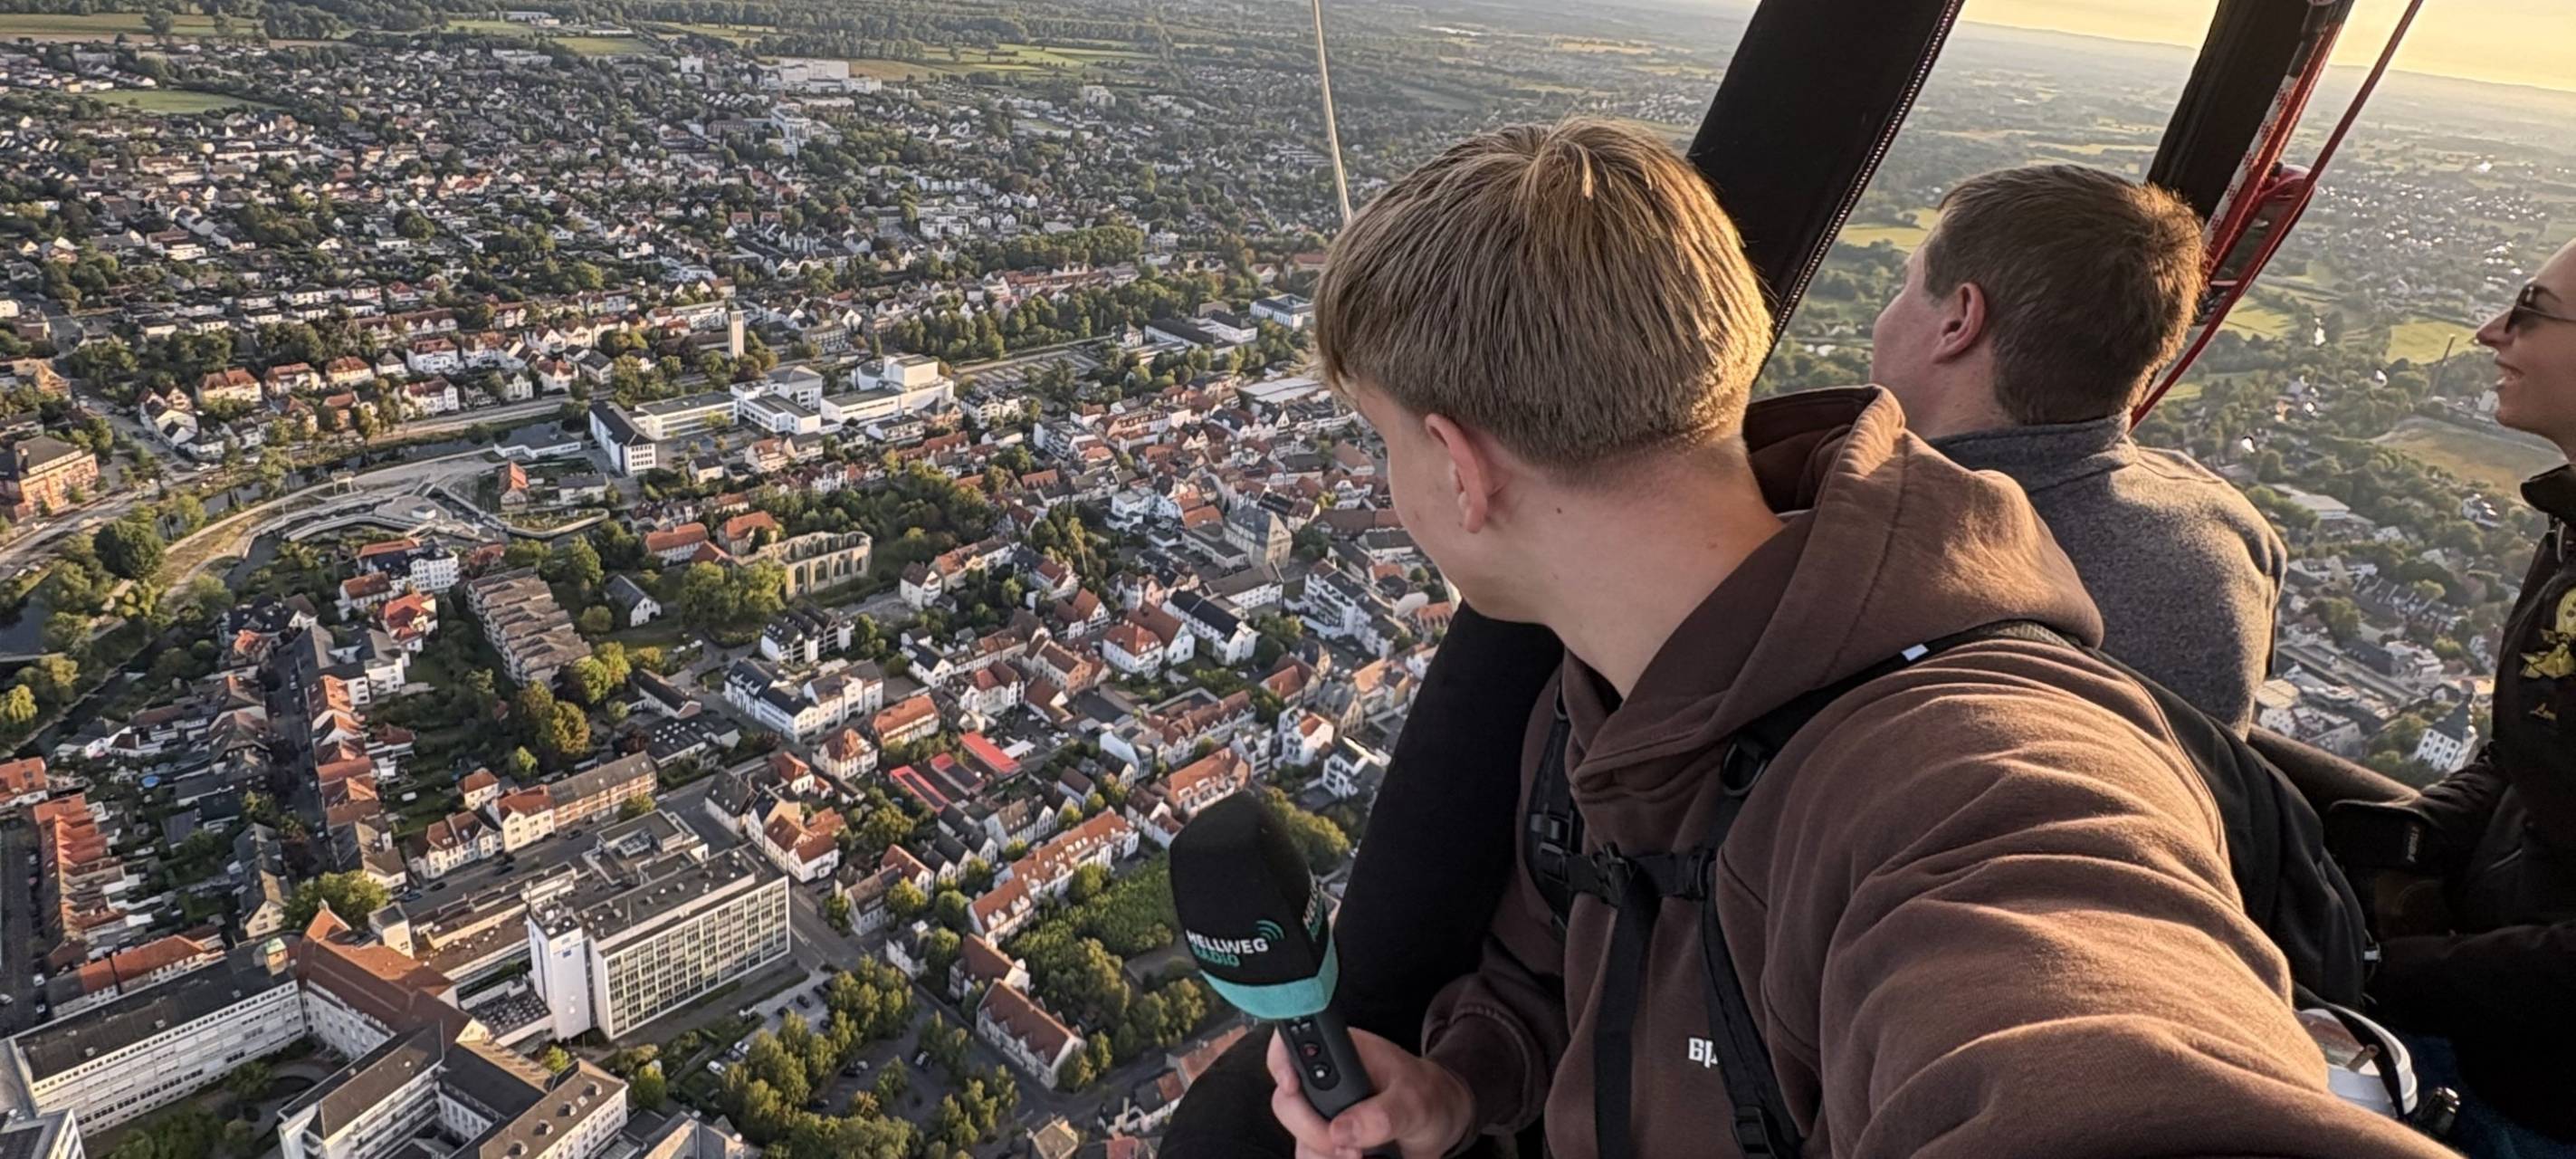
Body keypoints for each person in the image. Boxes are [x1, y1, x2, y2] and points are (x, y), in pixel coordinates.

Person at [1256, 117, 2444, 1159]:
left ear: (1456, 467)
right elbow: (1547, 984)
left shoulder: (1964, 778)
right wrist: (1461, 1089)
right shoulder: (1614, 690)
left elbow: (2093, 1034)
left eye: (1382, 442)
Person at [1865, 164, 2285, 732]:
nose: (1883, 318)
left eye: (1906, 286)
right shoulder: (2231, 532)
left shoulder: (1863, 554)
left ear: (1959, 321)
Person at [2342, 237, 2576, 1157]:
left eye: (2528, 308)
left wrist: (2384, 969)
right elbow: (2517, 759)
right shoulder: (2569, 521)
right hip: (2480, 1044)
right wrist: (2407, 835)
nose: (2488, 330)